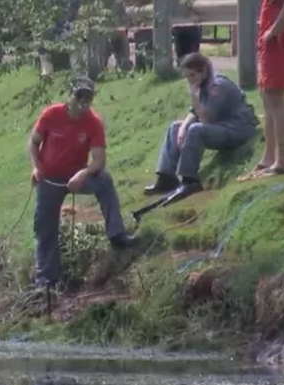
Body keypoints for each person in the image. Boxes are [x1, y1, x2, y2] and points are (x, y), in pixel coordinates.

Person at [28, 77, 136, 290]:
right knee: (44, 227)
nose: (82, 102)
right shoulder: (51, 115)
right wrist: (35, 167)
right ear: (69, 96)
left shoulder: (93, 123)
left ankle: (117, 234)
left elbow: (99, 160)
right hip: (49, 178)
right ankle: (48, 280)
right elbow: (33, 142)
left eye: (87, 97)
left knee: (104, 180)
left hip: (76, 177)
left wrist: (83, 174)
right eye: (78, 96)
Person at [144, 52, 258, 198]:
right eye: (187, 77)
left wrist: (194, 96)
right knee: (175, 128)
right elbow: (195, 112)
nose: (190, 80)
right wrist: (183, 127)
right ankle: (166, 178)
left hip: (237, 128)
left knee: (196, 130)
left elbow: (206, 120)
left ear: (203, 70)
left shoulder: (217, 86)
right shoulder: (203, 82)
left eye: (192, 75)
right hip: (221, 125)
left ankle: (189, 180)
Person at [251, 0, 284, 177]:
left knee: (275, 96)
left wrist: (274, 31)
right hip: (270, 41)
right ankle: (270, 155)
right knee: (267, 96)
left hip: (279, 42)